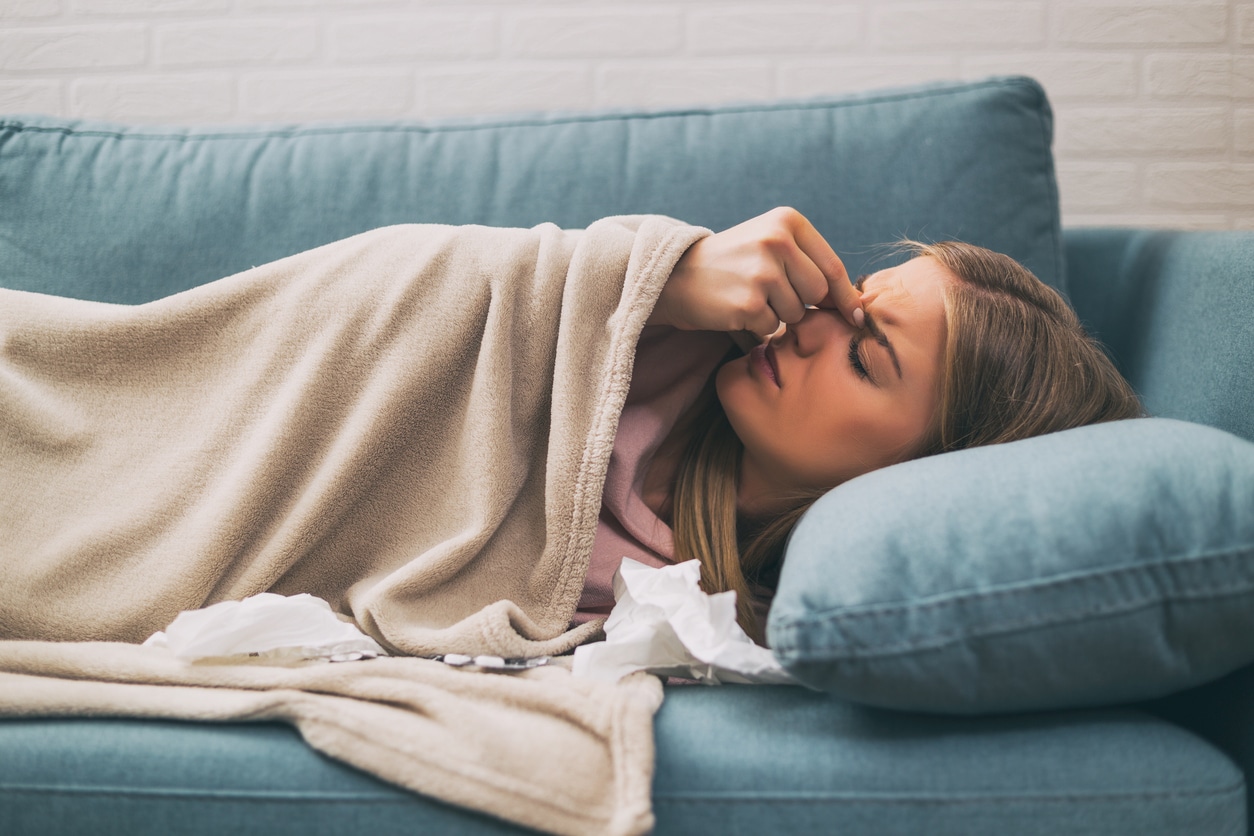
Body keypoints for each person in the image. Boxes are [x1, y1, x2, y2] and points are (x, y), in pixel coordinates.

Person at [579, 207, 1143, 644]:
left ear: (924, 472)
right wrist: (658, 282)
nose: (805, 324)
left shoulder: (756, 617)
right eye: (850, 299)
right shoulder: (657, 332)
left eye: (861, 360)